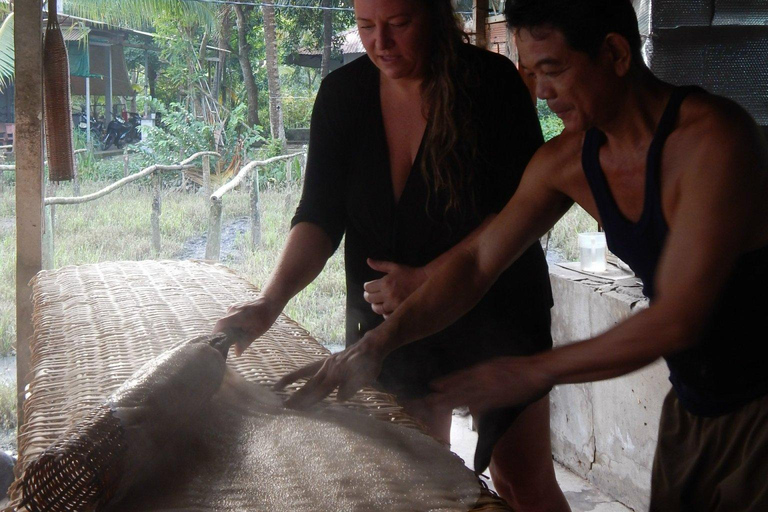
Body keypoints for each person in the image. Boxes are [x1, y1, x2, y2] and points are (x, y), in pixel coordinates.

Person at [275, 0, 768, 510]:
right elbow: (476, 263)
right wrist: (376, 346)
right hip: (692, 408)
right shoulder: (570, 161)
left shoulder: (713, 139)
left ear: (616, 53)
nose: (539, 92)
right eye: (530, 73)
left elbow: (677, 320)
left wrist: (534, 370)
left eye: (552, 70)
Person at [214, 0, 570, 509]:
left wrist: (427, 278)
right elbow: (318, 216)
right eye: (365, 26)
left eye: (399, 24)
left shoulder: (490, 84)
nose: (380, 42)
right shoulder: (344, 95)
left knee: (520, 479)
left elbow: (520, 210)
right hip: (388, 318)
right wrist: (270, 304)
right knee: (415, 481)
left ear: (433, 14)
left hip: (498, 305)